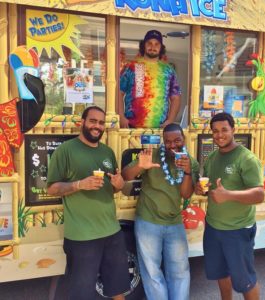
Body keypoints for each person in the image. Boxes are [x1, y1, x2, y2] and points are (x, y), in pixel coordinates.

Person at [47, 106, 130, 300]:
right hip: (81, 237)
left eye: (101, 123)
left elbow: (113, 188)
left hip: (112, 232)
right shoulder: (66, 151)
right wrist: (78, 184)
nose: (97, 126)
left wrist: (119, 185)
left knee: (118, 288)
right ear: (82, 122)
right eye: (93, 121)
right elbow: (51, 188)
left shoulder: (107, 152)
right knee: (81, 294)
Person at [122, 123, 199, 300]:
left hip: (174, 222)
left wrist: (187, 172)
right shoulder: (152, 155)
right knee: (151, 271)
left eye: (177, 140)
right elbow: (126, 176)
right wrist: (141, 166)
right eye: (168, 141)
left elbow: (186, 193)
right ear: (163, 142)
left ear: (183, 139)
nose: (173, 145)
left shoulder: (191, 162)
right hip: (148, 221)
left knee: (180, 271)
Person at [195, 112, 265, 300]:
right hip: (213, 227)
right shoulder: (212, 157)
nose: (219, 135)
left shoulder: (246, 158)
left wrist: (228, 195)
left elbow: (259, 194)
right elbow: (210, 186)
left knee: (245, 281)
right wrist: (201, 189)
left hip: (238, 230)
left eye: (224, 129)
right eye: (215, 131)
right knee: (221, 274)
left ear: (233, 130)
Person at [119, 29, 181, 128]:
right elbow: (118, 92)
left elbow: (175, 97)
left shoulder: (168, 71)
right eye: (149, 43)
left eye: (157, 44)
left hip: (160, 129)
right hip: (132, 127)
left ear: (161, 47)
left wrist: (170, 120)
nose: (153, 47)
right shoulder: (131, 67)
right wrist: (121, 117)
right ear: (144, 45)